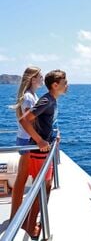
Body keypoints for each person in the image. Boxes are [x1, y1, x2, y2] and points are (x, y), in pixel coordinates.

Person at [19, 69, 68, 238]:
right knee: (41, 189)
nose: (67, 85)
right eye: (65, 82)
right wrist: (39, 141)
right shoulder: (46, 100)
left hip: (47, 150)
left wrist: (54, 135)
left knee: (46, 188)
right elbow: (24, 120)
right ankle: (30, 226)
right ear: (55, 85)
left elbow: (46, 122)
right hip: (40, 153)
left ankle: (35, 222)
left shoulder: (52, 100)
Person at [10, 66, 44, 220]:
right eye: (40, 76)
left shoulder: (31, 95)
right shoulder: (29, 97)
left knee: (22, 178)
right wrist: (39, 140)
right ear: (33, 79)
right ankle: (15, 217)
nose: (42, 78)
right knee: (22, 178)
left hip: (27, 139)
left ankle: (16, 215)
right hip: (27, 141)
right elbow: (27, 122)